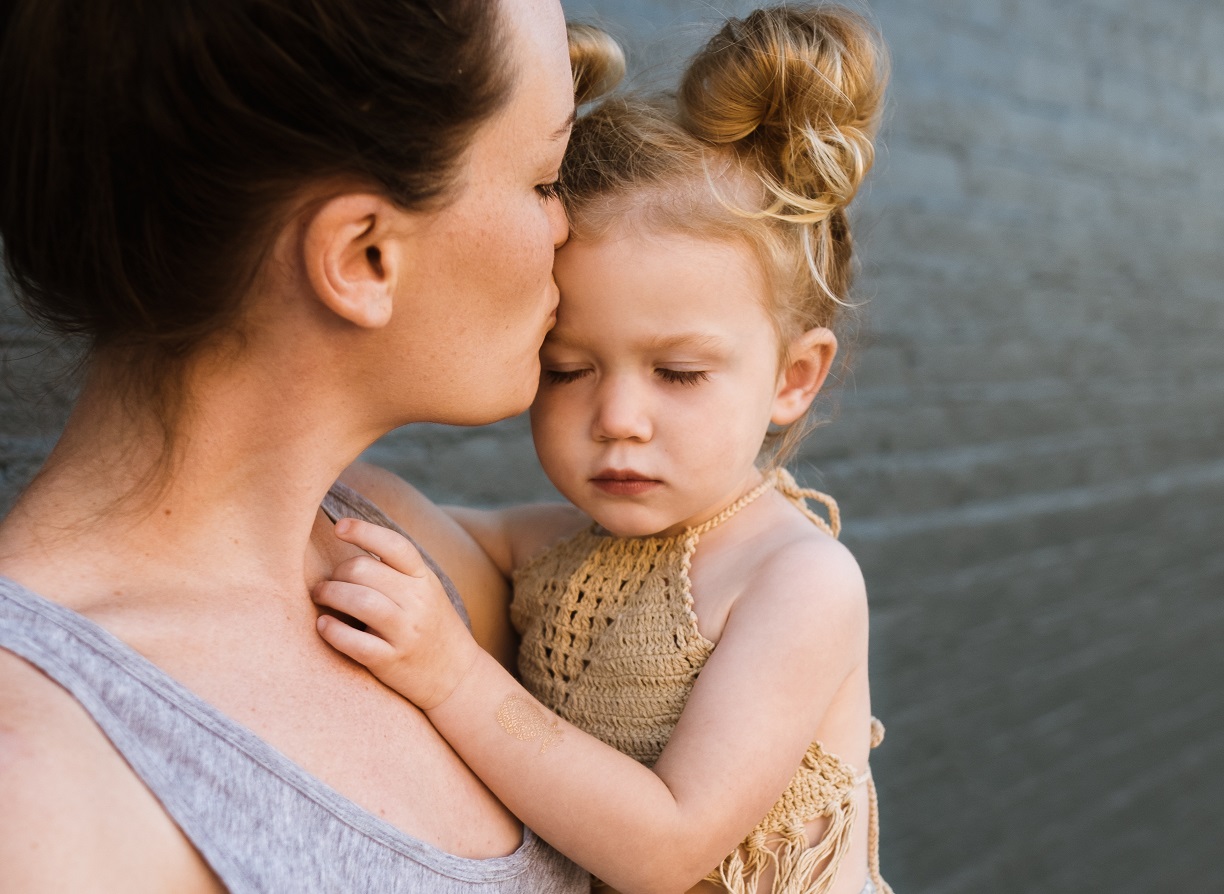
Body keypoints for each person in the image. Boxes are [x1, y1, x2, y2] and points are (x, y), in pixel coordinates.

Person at [0, 0, 618, 889]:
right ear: (363, 255)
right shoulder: (45, 785)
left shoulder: (401, 553)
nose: (567, 231)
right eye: (545, 181)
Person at [313, 6, 894, 893]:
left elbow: (667, 847)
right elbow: (379, 511)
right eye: (568, 368)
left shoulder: (794, 581)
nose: (617, 416)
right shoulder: (553, 549)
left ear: (793, 376)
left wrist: (453, 677)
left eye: (679, 373)